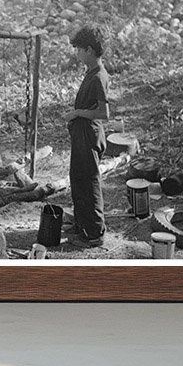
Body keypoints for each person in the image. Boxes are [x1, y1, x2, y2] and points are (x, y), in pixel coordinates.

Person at [65, 25, 111, 246]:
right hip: (82, 133)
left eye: (79, 49)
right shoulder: (91, 72)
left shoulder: (98, 77)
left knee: (89, 182)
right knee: (78, 180)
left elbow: (104, 113)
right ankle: (82, 225)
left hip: (89, 134)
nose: (77, 53)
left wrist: (77, 113)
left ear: (90, 50)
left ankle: (94, 234)